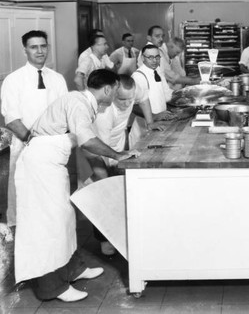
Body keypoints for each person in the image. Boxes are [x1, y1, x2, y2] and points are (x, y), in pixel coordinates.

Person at [14, 69, 139, 302]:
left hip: (52, 164)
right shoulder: (79, 103)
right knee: (48, 225)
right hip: (41, 165)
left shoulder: (82, 102)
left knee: (65, 219)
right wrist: (117, 155)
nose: (115, 97)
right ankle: (52, 288)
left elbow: (85, 146)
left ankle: (73, 270)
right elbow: (88, 141)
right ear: (108, 88)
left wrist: (104, 169)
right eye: (115, 91)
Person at [85, 74, 165, 256]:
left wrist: (150, 122)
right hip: (96, 149)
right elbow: (99, 148)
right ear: (113, 92)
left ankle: (123, 234)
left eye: (130, 99)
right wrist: (109, 172)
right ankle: (104, 239)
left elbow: (143, 99)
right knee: (103, 193)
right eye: (121, 99)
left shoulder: (133, 91)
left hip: (118, 146)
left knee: (122, 191)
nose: (127, 103)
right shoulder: (104, 113)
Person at [0, 30, 68, 228]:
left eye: (43, 46)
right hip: (25, 147)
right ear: (25, 51)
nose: (40, 51)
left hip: (53, 148)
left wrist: (57, 142)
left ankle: (52, 237)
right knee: (25, 195)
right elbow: (12, 119)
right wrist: (34, 142)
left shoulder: (57, 78)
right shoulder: (14, 80)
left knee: (53, 195)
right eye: (34, 47)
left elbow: (64, 112)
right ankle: (24, 238)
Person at [130, 45, 175, 146]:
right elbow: (133, 106)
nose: (154, 60)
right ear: (142, 58)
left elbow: (163, 96)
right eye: (150, 57)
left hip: (159, 126)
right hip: (143, 130)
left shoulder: (157, 71)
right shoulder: (138, 76)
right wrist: (154, 116)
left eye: (157, 57)